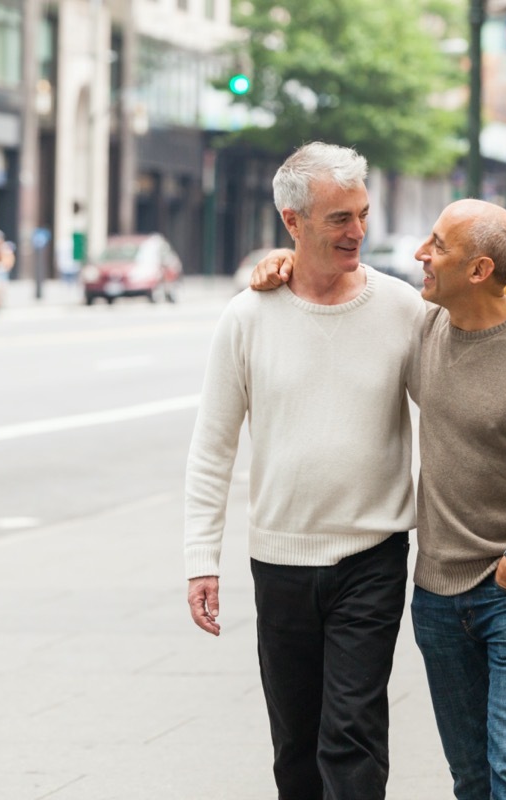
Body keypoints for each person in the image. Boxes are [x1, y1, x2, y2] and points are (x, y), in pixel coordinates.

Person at [247, 200, 506, 799]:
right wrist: (285, 261)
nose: (420, 253)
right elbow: (347, 292)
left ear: (477, 270)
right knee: (472, 779)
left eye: (437, 245)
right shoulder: (423, 329)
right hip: (440, 599)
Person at [184, 142, 426, 800]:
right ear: (293, 223)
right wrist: (201, 558)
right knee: (295, 745)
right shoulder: (248, 316)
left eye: (362, 215)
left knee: (351, 733)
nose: (358, 232)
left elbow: (459, 403)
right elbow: (213, 445)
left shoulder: (402, 310)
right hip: (280, 560)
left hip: (372, 551)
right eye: (339, 219)